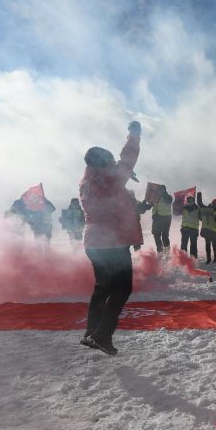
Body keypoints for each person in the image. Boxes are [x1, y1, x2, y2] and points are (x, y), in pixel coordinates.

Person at [78, 120, 143, 355]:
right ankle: (103, 335)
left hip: (94, 242)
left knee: (102, 288)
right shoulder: (109, 178)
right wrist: (133, 134)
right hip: (112, 242)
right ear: (103, 161)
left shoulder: (87, 180)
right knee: (122, 289)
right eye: (108, 157)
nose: (112, 159)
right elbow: (128, 158)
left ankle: (91, 332)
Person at [196, 192, 216, 264]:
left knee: (214, 244)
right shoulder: (207, 209)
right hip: (207, 230)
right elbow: (200, 204)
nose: (214, 205)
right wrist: (199, 196)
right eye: (213, 203)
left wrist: (213, 217)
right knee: (207, 245)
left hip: (214, 230)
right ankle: (208, 259)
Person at [150, 186, 173, 253]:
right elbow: (149, 205)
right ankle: (159, 250)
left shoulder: (168, 197)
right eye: (159, 189)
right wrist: (146, 202)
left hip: (165, 218)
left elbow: (168, 201)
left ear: (165, 190)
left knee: (164, 236)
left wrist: (163, 194)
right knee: (156, 234)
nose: (160, 191)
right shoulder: (155, 197)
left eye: (162, 189)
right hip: (156, 218)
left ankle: (167, 250)